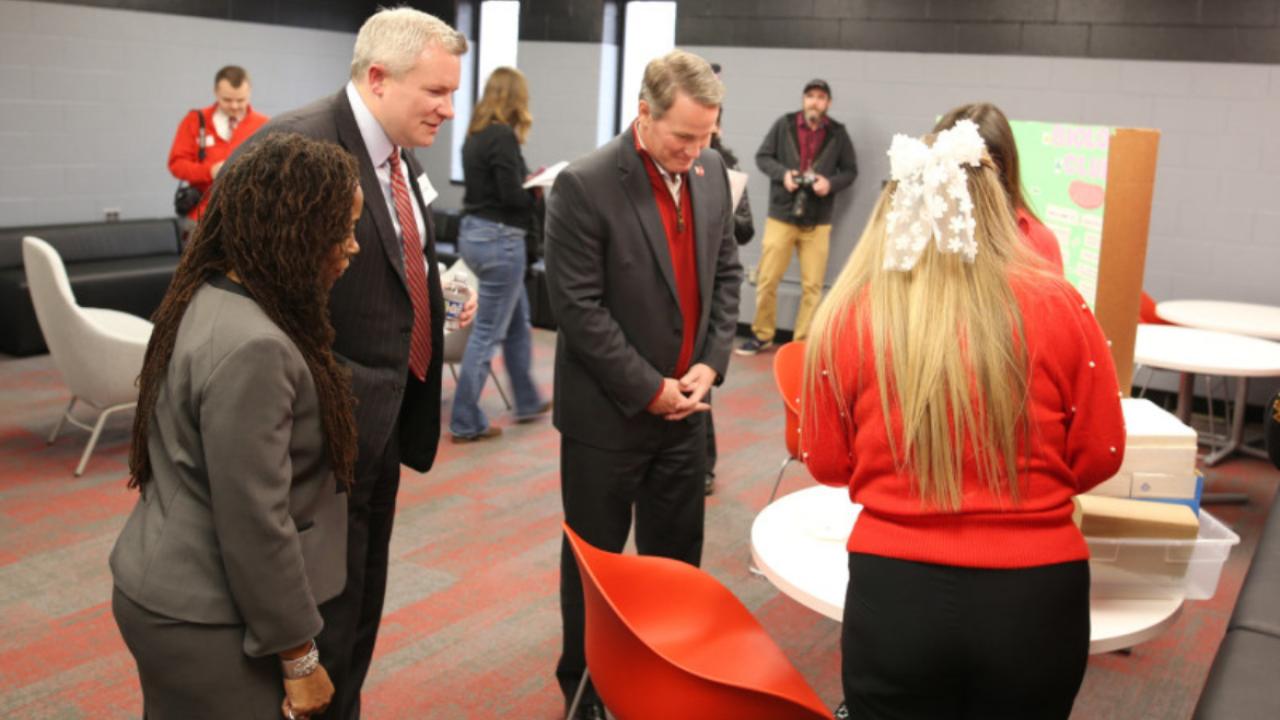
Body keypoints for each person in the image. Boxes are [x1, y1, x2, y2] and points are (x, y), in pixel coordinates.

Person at [801, 120, 1125, 719]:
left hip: (894, 593)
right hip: (1037, 595)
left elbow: (825, 462)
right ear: (997, 206)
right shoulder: (1061, 304)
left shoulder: (849, 313)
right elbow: (1101, 453)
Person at [231, 9, 474, 718]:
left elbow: (393, 258)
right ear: (377, 77)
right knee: (317, 625)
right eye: (435, 91)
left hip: (382, 427)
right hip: (316, 443)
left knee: (360, 610)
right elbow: (254, 308)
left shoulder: (399, 154)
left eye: (452, 92)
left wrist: (435, 296)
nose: (448, 109)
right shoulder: (299, 149)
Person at [110, 133, 361, 720]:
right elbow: (254, 523)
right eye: (340, 230)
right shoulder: (256, 348)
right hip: (207, 615)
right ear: (292, 229)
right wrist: (300, 658)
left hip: (170, 587)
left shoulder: (216, 291)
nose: (351, 247)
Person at [544, 49, 743, 720]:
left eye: (706, 135)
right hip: (607, 418)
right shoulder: (588, 183)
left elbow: (725, 276)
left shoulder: (714, 170)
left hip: (688, 411)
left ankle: (665, 676)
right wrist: (649, 387)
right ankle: (586, 688)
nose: (695, 150)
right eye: (683, 136)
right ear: (644, 115)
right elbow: (578, 309)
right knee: (597, 569)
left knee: (676, 563)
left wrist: (709, 366)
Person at [450, 66, 550, 443]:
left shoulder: (473, 136)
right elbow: (511, 196)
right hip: (501, 240)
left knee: (517, 319)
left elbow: (491, 187)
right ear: (515, 99)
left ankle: (525, 399)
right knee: (487, 334)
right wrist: (535, 191)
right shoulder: (504, 136)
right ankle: (465, 420)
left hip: (473, 233)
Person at [738, 78, 857, 355]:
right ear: (804, 99)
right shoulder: (785, 124)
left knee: (813, 286)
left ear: (828, 103)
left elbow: (850, 171)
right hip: (782, 214)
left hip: (818, 220)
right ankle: (762, 334)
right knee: (767, 279)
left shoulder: (838, 133)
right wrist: (784, 175)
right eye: (811, 96)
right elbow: (763, 157)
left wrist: (829, 183)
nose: (815, 101)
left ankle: (802, 344)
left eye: (821, 97)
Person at [934, 102, 1065, 275]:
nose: (966, 184)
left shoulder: (1037, 240)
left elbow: (1050, 300)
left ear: (1001, 169)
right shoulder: (923, 233)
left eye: (978, 171)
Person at [703, 105, 754, 495]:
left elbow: (745, 229)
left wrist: (722, 213)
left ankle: (703, 466)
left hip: (709, 279)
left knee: (701, 379)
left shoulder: (727, 165)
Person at [167, 65, 269, 226]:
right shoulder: (194, 121)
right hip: (202, 216)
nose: (234, 106)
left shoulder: (264, 125)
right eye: (227, 100)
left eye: (241, 100)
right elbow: (176, 164)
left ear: (249, 92)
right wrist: (209, 171)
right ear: (216, 92)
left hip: (247, 218)